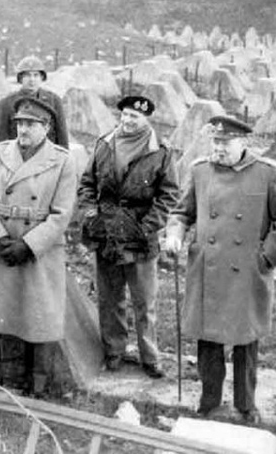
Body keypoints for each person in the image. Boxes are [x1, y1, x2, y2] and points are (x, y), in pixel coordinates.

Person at [165, 115, 276, 425]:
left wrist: (264, 259)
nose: (219, 148)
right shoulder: (199, 170)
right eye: (215, 142)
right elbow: (181, 212)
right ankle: (209, 400)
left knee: (244, 340)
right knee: (208, 337)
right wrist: (174, 234)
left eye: (225, 143)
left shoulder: (268, 173)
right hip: (208, 267)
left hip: (246, 271)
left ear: (243, 143)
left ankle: (246, 404)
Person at [0, 97, 76, 397]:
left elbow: (62, 214)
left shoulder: (62, 161)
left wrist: (29, 245)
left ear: (46, 128)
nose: (23, 130)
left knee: (33, 319)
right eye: (20, 123)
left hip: (36, 249)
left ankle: (30, 384)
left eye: (31, 124)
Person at [77, 95, 179, 379]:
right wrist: (90, 214)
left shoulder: (160, 152)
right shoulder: (104, 144)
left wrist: (147, 226)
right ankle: (114, 352)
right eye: (124, 115)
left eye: (134, 117)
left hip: (140, 236)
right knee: (109, 297)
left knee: (144, 301)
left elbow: (169, 195)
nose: (127, 121)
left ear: (147, 119)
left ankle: (150, 357)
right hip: (107, 233)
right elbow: (87, 183)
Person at [0, 55, 68, 148]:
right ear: (20, 78)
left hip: (47, 157)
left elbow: (62, 136)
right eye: (27, 75)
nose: (32, 80)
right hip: (17, 156)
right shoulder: (6, 103)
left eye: (36, 75)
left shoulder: (54, 101)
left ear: (42, 78)